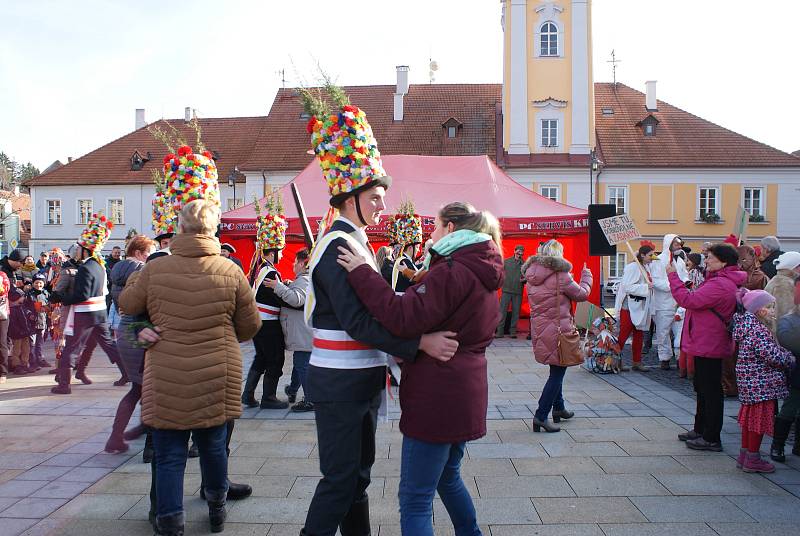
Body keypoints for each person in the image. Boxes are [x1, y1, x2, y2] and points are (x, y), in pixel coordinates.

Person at [300, 101, 457, 536]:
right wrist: (418, 344)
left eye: (382, 198)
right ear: (349, 199)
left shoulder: (356, 242)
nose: (381, 207)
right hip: (340, 382)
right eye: (374, 198)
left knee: (357, 479)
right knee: (339, 481)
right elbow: (358, 323)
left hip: (358, 380)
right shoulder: (338, 246)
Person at [336, 201, 503, 536]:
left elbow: (401, 316)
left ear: (451, 229)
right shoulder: (481, 266)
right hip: (465, 389)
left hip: (438, 394)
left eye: (437, 227)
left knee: (415, 498)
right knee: (448, 476)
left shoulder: (453, 269)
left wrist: (363, 273)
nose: (431, 235)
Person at [119, 198, 261, 536]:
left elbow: (127, 305)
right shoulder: (230, 270)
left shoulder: (155, 268)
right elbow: (250, 326)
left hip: (167, 371)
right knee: (213, 445)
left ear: (180, 227)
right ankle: (216, 506)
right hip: (217, 369)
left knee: (169, 454)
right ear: (214, 230)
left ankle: (170, 521)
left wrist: (145, 325)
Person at [670, 243, 746, 451]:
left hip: (710, 341)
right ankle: (701, 429)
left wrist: (673, 278)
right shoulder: (718, 280)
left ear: (723, 262)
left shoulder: (721, 284)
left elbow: (688, 300)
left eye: (711, 257)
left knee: (710, 390)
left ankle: (711, 436)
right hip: (705, 340)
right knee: (702, 387)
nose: (707, 260)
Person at [51, 214, 124, 395]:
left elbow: (81, 295)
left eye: (79, 248)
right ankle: (127, 373)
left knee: (71, 348)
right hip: (99, 313)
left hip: (85, 313)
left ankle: (64, 385)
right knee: (107, 345)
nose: (77, 251)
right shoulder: (99, 266)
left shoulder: (84, 267)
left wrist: (60, 297)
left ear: (85, 250)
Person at [524, 239, 593, 432]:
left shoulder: (531, 275)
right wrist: (586, 276)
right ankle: (541, 415)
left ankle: (559, 408)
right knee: (558, 372)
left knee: (556, 368)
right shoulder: (561, 275)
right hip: (558, 331)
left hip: (541, 329)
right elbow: (581, 294)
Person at [732, 289, 794, 473]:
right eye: (770, 307)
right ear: (759, 310)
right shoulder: (757, 329)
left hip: (750, 383)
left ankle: (745, 455)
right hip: (761, 383)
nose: (773, 311)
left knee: (749, 421)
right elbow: (771, 355)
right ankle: (753, 458)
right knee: (758, 422)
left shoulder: (747, 326)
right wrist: (788, 357)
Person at [104, 235, 157, 454]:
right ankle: (137, 440)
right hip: (139, 330)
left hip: (126, 330)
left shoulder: (118, 269)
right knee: (145, 388)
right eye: (149, 252)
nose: (150, 257)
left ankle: (129, 433)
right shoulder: (138, 269)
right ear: (138, 253)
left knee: (138, 388)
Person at [242, 192, 290, 410]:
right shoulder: (269, 272)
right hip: (269, 324)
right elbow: (276, 298)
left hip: (260, 323)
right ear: (274, 250)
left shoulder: (261, 269)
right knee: (275, 359)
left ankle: (248, 394)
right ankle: (268, 397)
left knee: (261, 358)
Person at [270, 248, 314, 412]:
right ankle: (293, 389)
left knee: (302, 363)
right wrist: (289, 285)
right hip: (304, 331)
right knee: (300, 362)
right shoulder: (305, 279)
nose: (293, 265)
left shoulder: (304, 280)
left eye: (295, 262)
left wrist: (278, 286)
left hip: (303, 331)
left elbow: (296, 300)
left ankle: (311, 400)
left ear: (302, 263)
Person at [614, 244, 656, 372]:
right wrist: (645, 287)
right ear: (642, 255)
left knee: (639, 334)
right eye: (650, 255)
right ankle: (616, 361)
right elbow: (627, 287)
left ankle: (637, 362)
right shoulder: (632, 267)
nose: (652, 258)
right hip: (629, 306)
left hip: (641, 306)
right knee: (624, 334)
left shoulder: (645, 267)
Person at [650, 234, 689, 369]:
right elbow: (655, 281)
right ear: (669, 244)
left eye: (680, 243)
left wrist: (684, 286)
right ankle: (664, 358)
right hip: (663, 303)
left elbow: (684, 277)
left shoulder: (680, 262)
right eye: (676, 243)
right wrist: (672, 287)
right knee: (663, 332)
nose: (679, 246)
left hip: (679, 303)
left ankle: (679, 358)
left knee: (680, 332)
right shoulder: (658, 260)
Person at [772, 279, 800, 463]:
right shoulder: (790, 320)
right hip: (798, 373)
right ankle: (778, 445)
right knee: (789, 409)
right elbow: (787, 340)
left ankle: (798, 445)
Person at [496, 244, 525, 339]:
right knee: (502, 311)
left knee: (516, 313)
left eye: (521, 251)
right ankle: (499, 332)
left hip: (518, 291)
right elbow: (500, 273)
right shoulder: (507, 262)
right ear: (514, 251)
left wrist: (524, 280)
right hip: (506, 290)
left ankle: (513, 332)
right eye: (518, 251)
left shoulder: (524, 264)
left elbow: (527, 277)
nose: (519, 253)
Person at [764, 251, 800, 324]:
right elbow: (784, 313)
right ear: (794, 267)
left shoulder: (780, 280)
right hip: (783, 332)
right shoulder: (783, 285)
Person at [28, 274, 51, 369]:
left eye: (40, 283)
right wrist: (29, 314)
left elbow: (50, 308)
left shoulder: (46, 294)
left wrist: (50, 323)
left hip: (43, 321)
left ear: (44, 283)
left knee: (40, 343)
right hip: (32, 323)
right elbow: (25, 307)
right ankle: (32, 361)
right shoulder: (29, 294)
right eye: (36, 282)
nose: (38, 285)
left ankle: (40, 359)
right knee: (32, 343)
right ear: (33, 283)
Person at [0, 266, 9, 384]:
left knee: (1, 342)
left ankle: (3, 371)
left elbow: (4, 290)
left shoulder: (2, 275)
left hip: (2, 314)